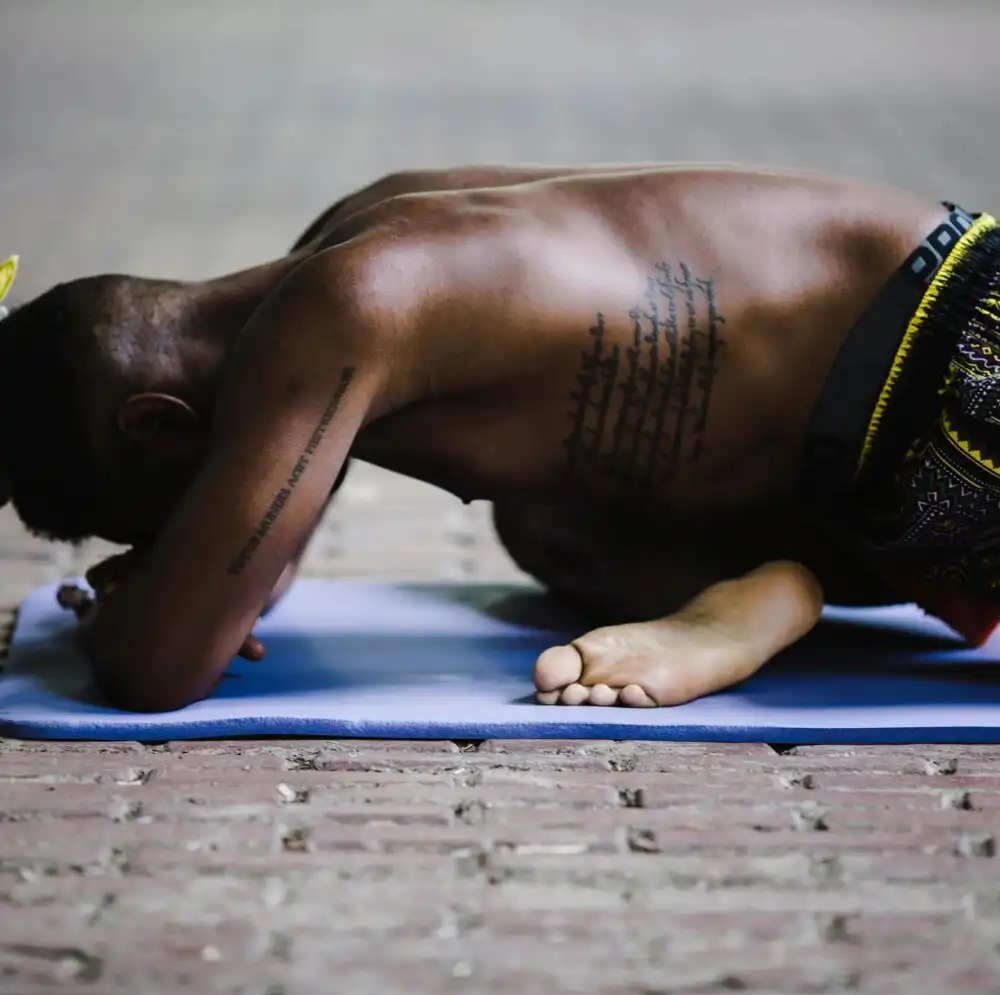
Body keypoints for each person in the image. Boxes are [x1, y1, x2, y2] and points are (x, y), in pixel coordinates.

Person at [2, 163, 998, 713]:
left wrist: (138, 617)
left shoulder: (348, 305)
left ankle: (769, 587)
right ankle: (756, 596)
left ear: (156, 424)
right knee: (547, 530)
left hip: (962, 361)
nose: (160, 545)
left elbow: (158, 670)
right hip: (861, 476)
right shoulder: (341, 242)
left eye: (139, 524)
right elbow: (266, 551)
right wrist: (204, 577)